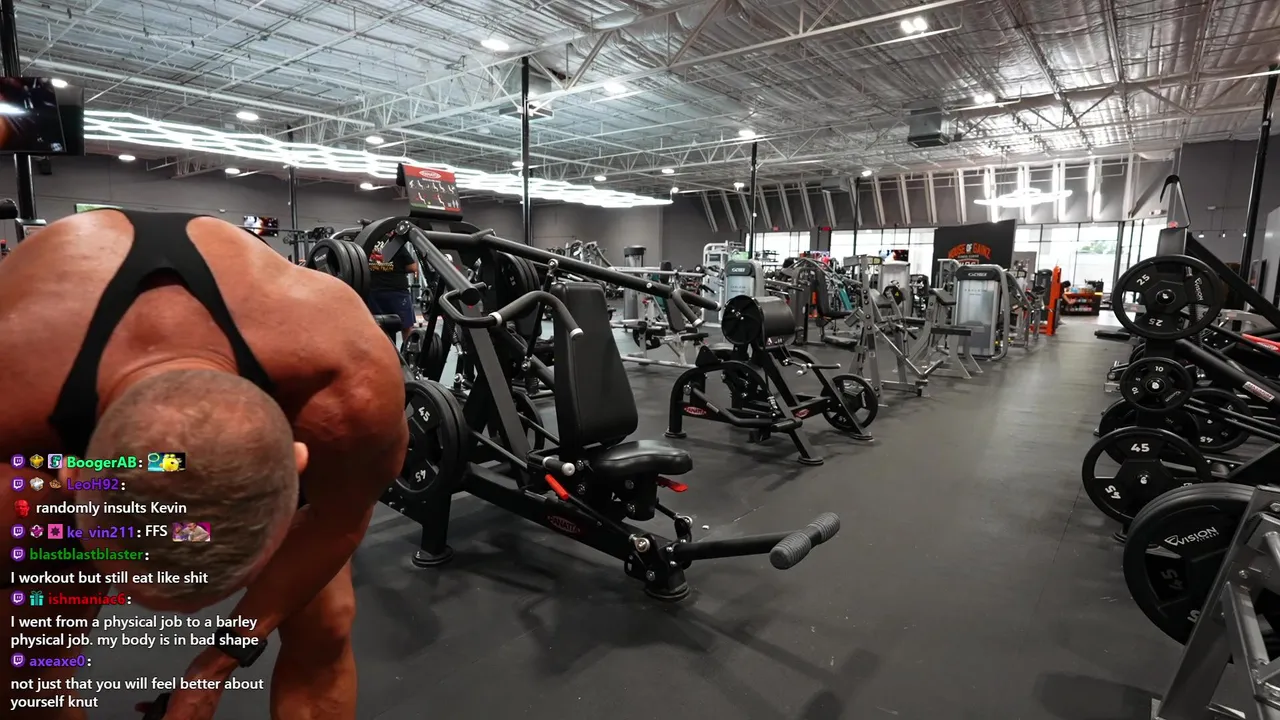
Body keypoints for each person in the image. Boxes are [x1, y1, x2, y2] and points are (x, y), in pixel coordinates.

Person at [0, 209, 407, 720]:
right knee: (29, 668)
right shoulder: (15, 398)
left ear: (296, 460)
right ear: (71, 476)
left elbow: (337, 523)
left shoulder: (346, 382)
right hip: (50, 395)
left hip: (247, 371)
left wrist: (217, 662)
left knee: (326, 625)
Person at [366, 233, 419, 349]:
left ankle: (387, 355)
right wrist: (396, 268)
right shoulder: (394, 244)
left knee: (381, 326)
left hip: (375, 291)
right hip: (396, 291)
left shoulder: (367, 243)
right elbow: (413, 267)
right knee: (406, 327)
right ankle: (409, 353)